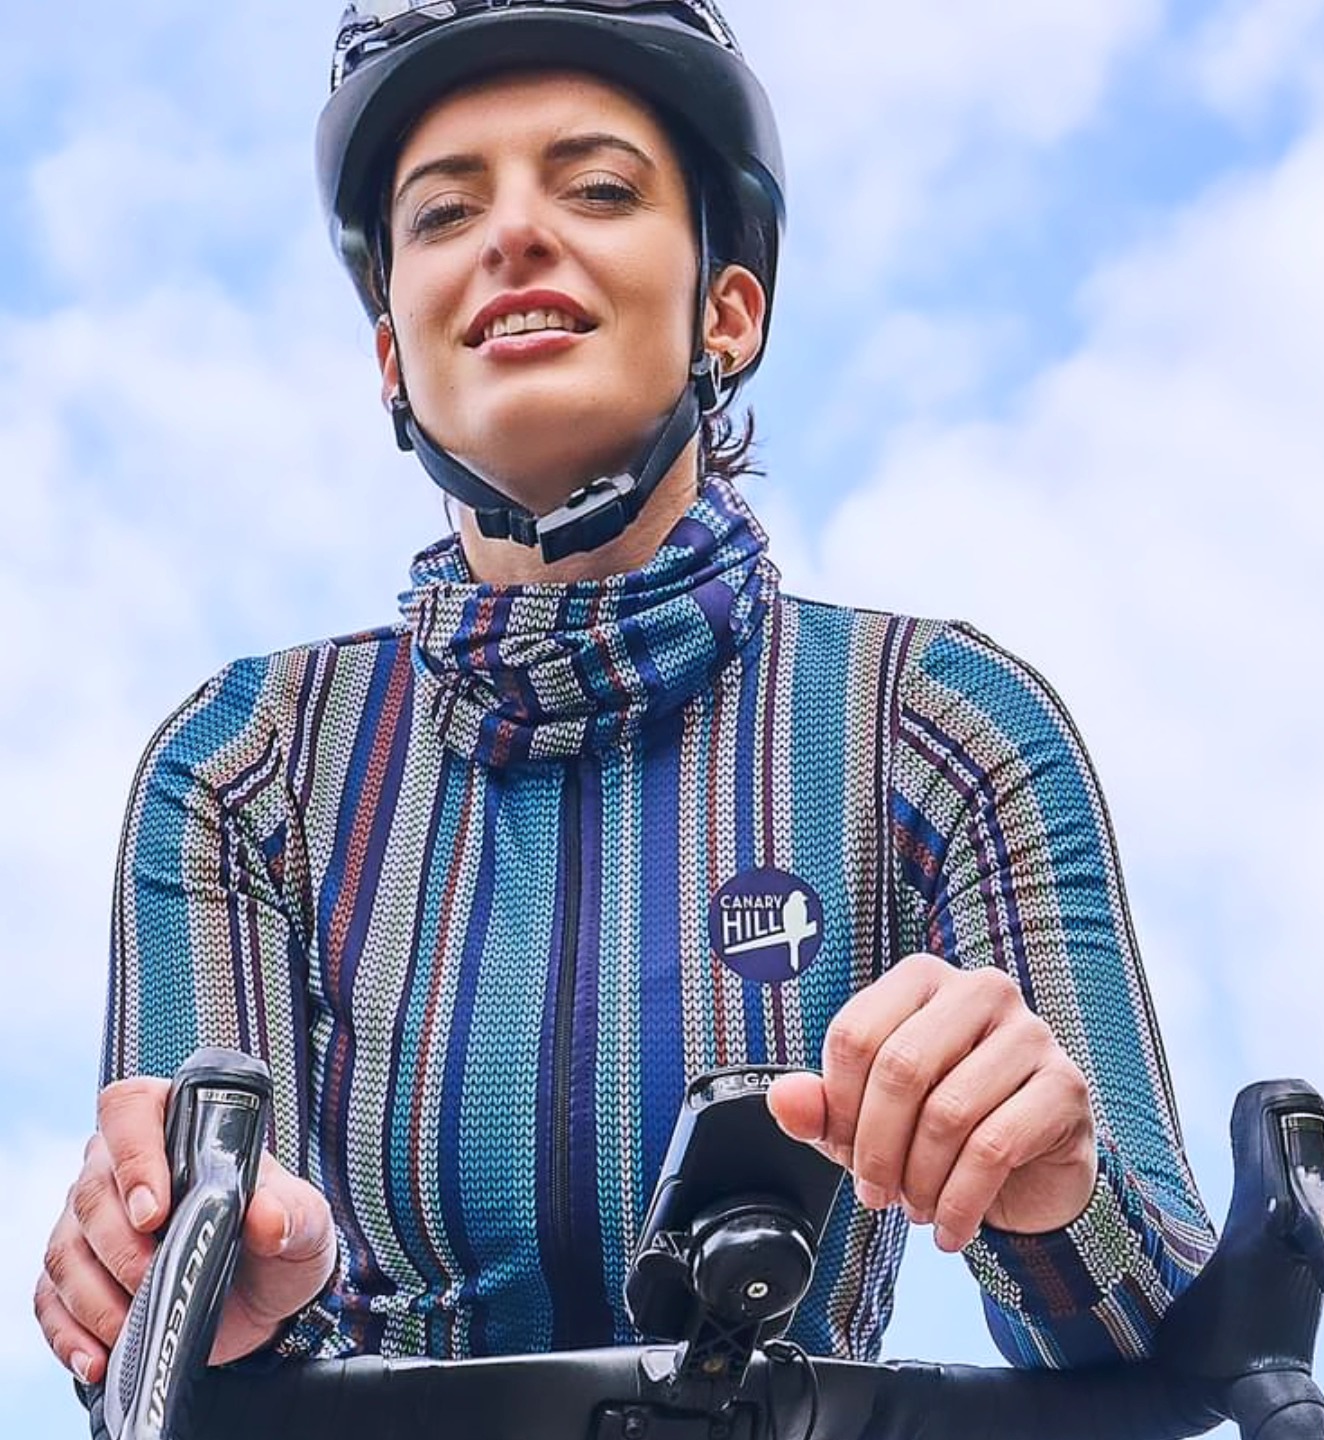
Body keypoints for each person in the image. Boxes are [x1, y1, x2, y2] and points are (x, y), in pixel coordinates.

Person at [34, 0, 1214, 1389]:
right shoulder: (241, 764)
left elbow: (1176, 1344)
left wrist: (1053, 1190)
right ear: (391, 359)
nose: (513, 235)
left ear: (729, 310)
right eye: (441, 214)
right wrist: (183, 1286)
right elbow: (172, 1364)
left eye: (596, 187)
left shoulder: (945, 722)